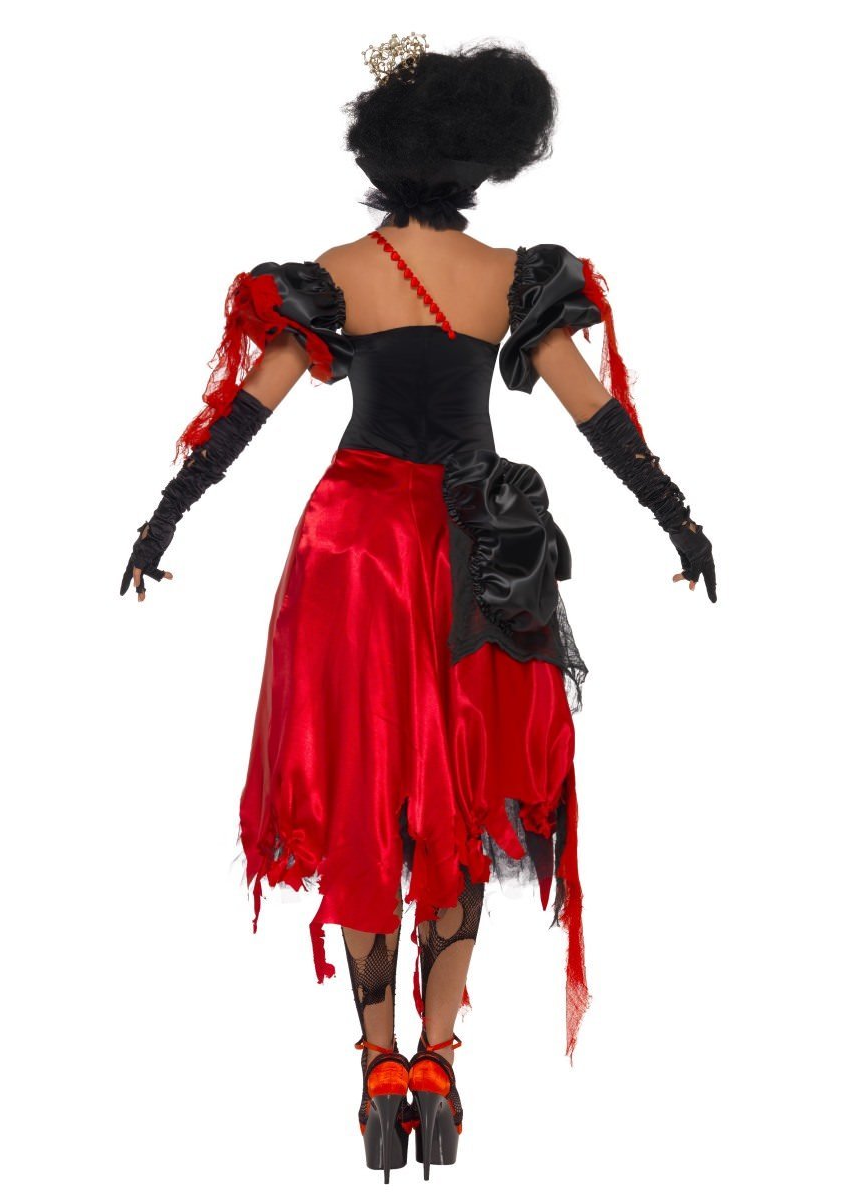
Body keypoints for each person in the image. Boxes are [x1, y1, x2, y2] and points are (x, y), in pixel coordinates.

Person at [119, 33, 716, 1181]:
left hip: (354, 547)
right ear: (482, 158)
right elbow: (598, 417)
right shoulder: (511, 276)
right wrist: (678, 519)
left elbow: (244, 416)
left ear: (381, 156)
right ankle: (438, 1060)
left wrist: (165, 518)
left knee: (362, 788)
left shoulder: (339, 271)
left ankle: (378, 1064)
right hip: (473, 548)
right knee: (462, 792)